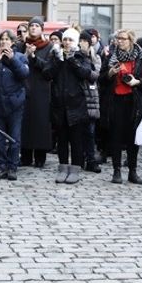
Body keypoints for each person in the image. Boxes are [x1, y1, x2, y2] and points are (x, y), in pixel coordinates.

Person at [105, 29, 142, 185]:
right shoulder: (111, 57)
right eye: (118, 38)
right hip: (116, 101)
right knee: (116, 137)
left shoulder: (141, 57)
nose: (119, 41)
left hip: (134, 101)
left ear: (131, 40)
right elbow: (100, 78)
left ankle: (133, 171)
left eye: (123, 39)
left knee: (134, 138)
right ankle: (116, 171)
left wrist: (137, 82)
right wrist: (110, 73)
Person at [48, 28, 94, 184]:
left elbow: (86, 73)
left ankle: (75, 169)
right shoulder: (55, 55)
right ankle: (62, 168)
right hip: (59, 104)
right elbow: (47, 74)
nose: (67, 43)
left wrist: (72, 60)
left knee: (76, 140)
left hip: (76, 104)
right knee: (61, 139)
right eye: (65, 40)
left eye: (70, 40)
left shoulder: (81, 56)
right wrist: (58, 61)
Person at [0, 30, 28, 180]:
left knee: (14, 138)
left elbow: (23, 75)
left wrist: (13, 59)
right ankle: (1, 167)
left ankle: (12, 167)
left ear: (13, 42)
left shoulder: (20, 57)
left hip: (14, 104)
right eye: (2, 39)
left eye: (7, 39)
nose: (4, 42)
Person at [21, 17, 55, 168]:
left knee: (41, 122)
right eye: (31, 26)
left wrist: (34, 58)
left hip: (41, 89)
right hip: (24, 87)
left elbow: (49, 70)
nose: (33, 28)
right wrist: (26, 55)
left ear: (42, 29)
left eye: (36, 26)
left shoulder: (49, 47)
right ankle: (26, 156)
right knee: (25, 123)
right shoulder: (21, 45)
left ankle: (40, 157)